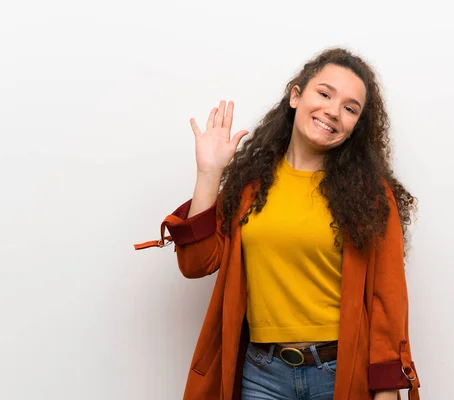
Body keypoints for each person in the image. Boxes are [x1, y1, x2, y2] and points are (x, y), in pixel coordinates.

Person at [134, 48, 421, 400]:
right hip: (262, 376)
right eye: (325, 93)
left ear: (355, 127)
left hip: (338, 374)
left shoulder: (371, 198)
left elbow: (386, 299)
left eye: (350, 108)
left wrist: (387, 389)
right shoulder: (250, 185)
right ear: (296, 95)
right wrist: (209, 174)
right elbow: (195, 264)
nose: (333, 111)